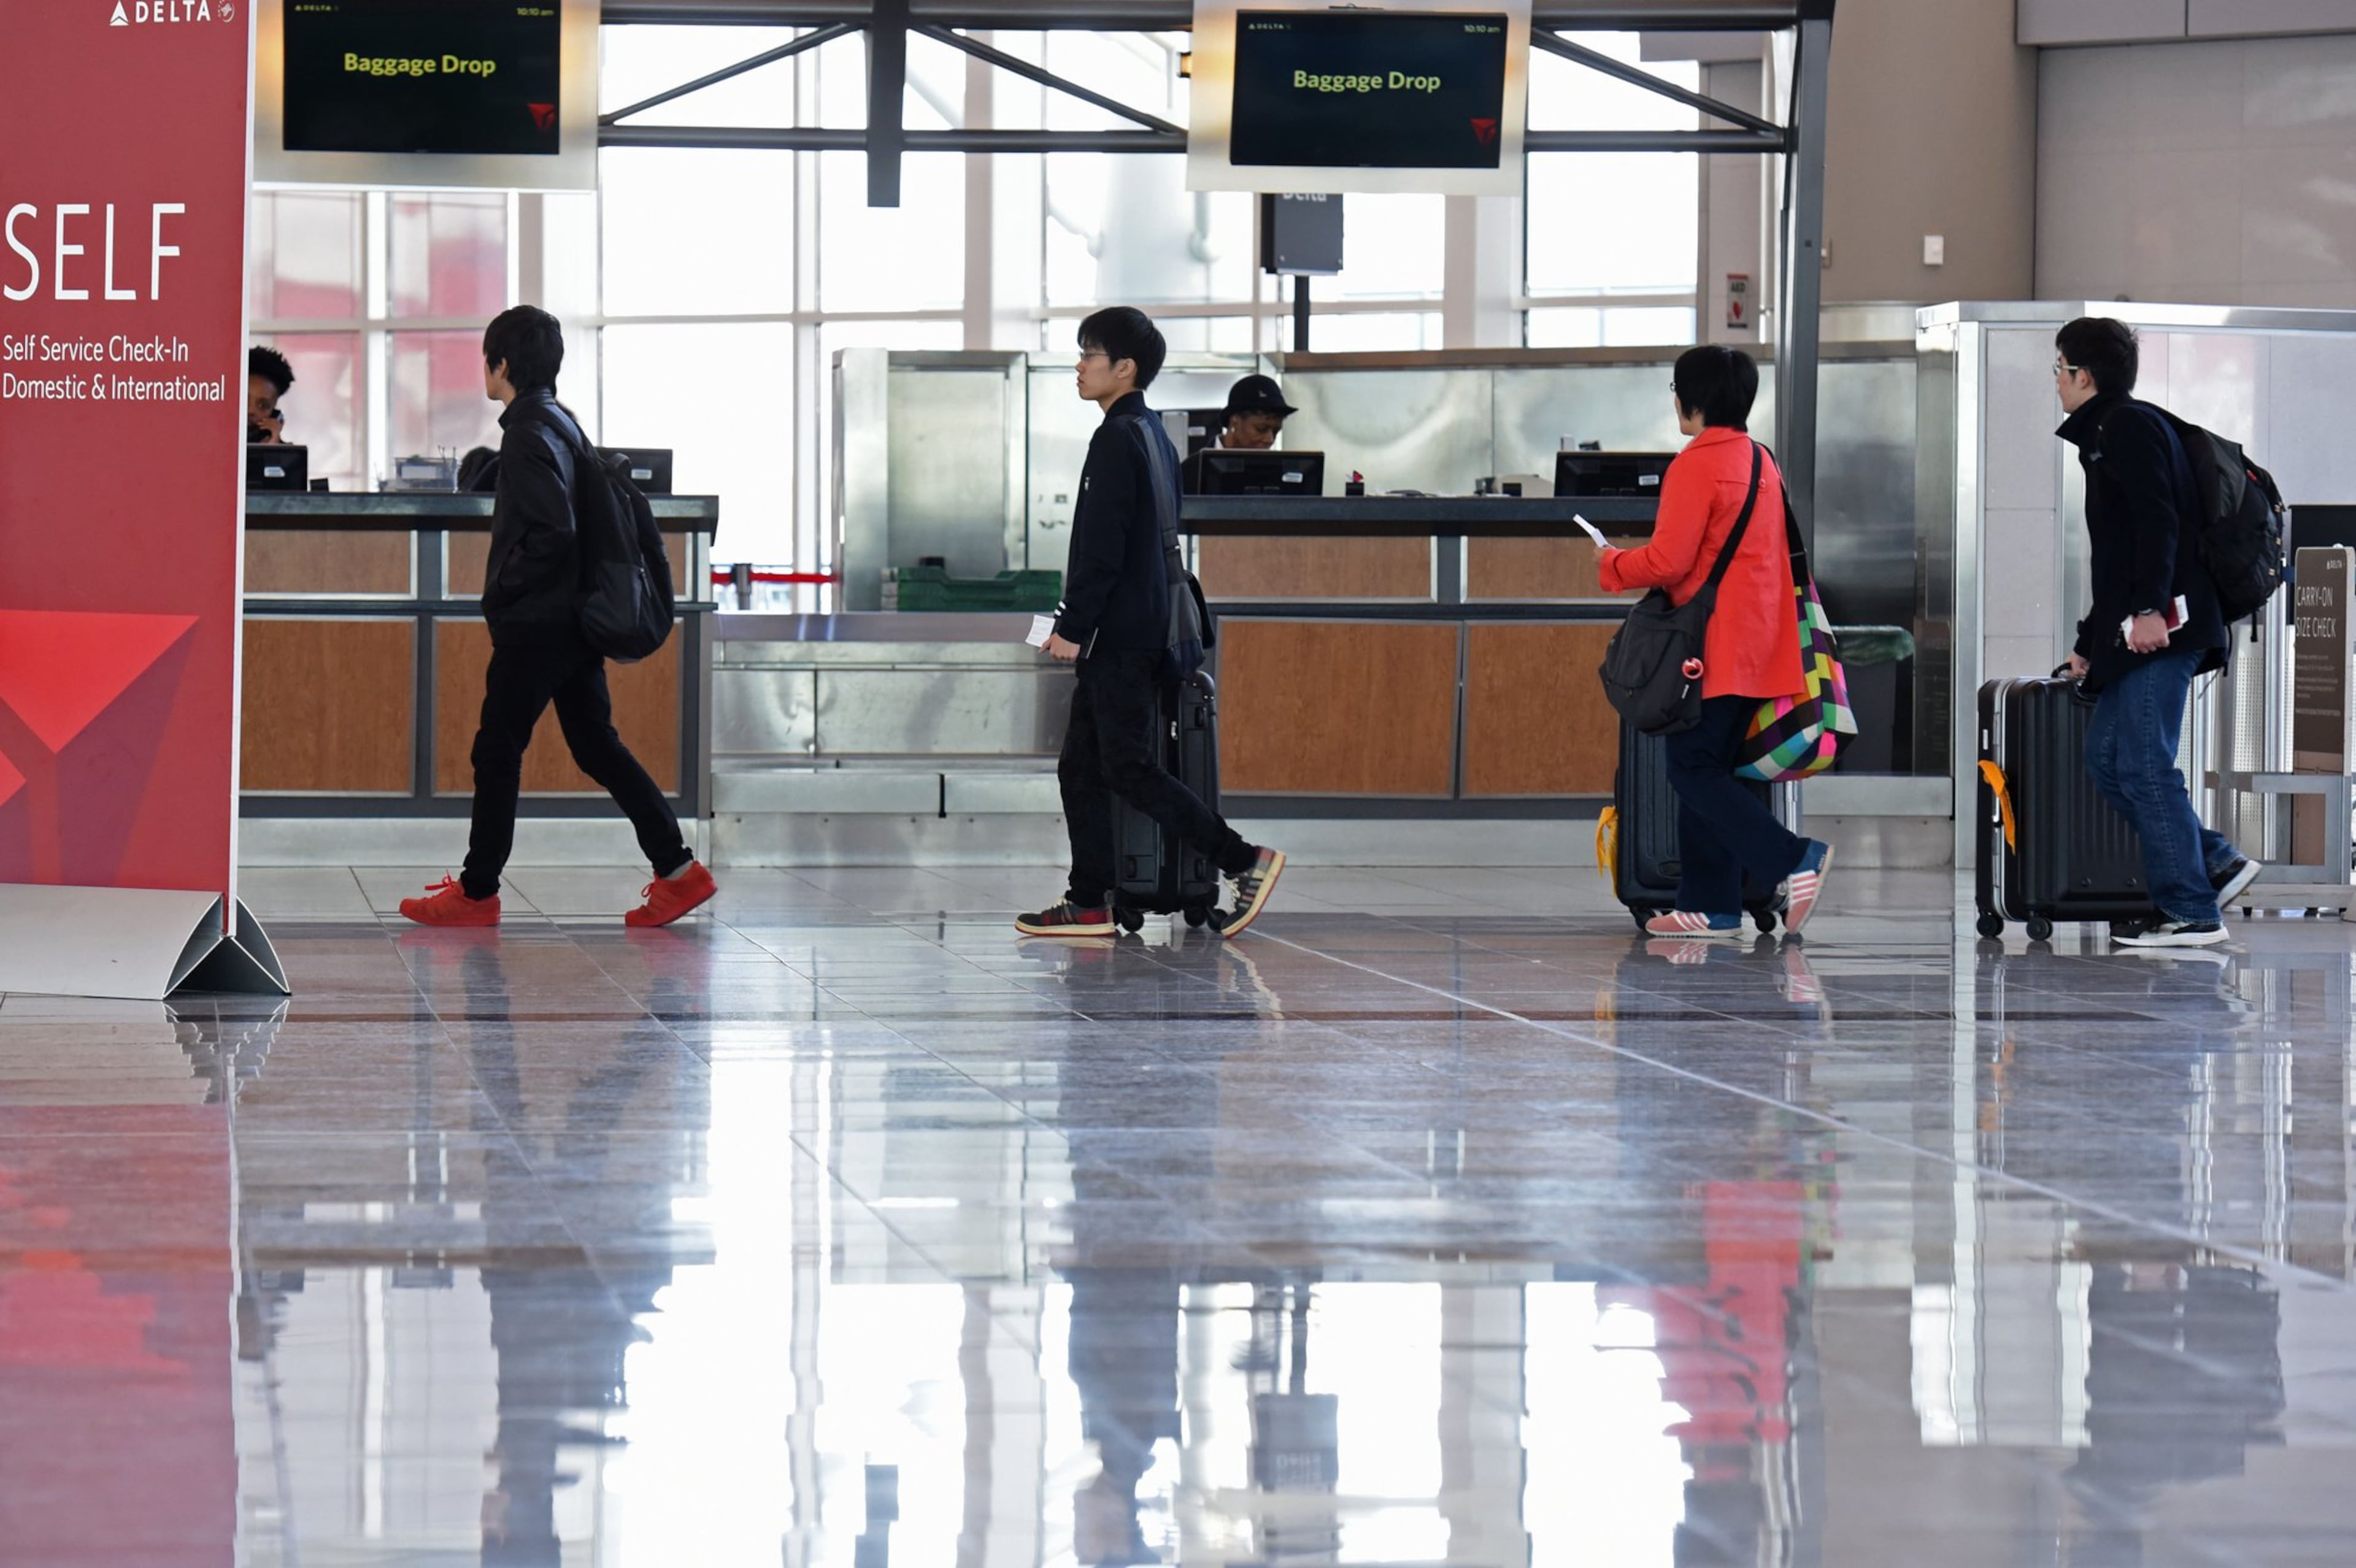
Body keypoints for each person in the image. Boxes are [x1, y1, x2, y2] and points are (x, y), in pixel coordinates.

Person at [401, 306, 716, 929]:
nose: (485, 371)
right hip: (573, 621)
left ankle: (477, 891)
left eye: (487, 361)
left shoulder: (524, 433)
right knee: (597, 745)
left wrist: (503, 591)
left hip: (538, 623)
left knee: (497, 749)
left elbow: (552, 529)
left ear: (503, 365)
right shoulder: (562, 423)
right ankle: (679, 871)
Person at [1019, 306, 1285, 939]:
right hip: (1144, 625)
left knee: (1129, 765)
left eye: (1090, 355)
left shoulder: (1116, 437)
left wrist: (1074, 626)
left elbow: (1103, 548)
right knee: (1083, 768)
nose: (1079, 367)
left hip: (1122, 632)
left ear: (1125, 367)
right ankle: (1088, 902)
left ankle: (1244, 861)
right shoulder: (1154, 436)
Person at [1596, 344, 1834, 938]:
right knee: (1718, 769)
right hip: (1764, 645)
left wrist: (1611, 564)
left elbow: (1669, 561)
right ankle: (1713, 904)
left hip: (1712, 648)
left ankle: (1795, 858)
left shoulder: (1696, 465)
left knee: (1693, 767)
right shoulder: (1762, 460)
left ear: (1692, 399)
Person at [2054, 317, 2256, 947]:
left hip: (2167, 626)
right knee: (2108, 760)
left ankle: (2192, 909)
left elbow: (2157, 524)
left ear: (2083, 377)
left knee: (2143, 763)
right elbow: (2116, 557)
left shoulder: (2129, 426)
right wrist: (2090, 643)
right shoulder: (2110, 431)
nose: (2055, 384)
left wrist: (2148, 611)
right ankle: (2215, 859)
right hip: (2139, 627)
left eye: (2058, 372)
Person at [1217, 372, 1294, 450]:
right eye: (1261, 429)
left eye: (1275, 432)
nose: (1270, 439)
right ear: (1235, 421)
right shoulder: (1204, 459)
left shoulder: (1275, 461)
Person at [247, 345, 293, 445]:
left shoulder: (289, 456)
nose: (251, 411)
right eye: (243, 401)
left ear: (274, 414)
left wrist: (273, 448)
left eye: (263, 405)